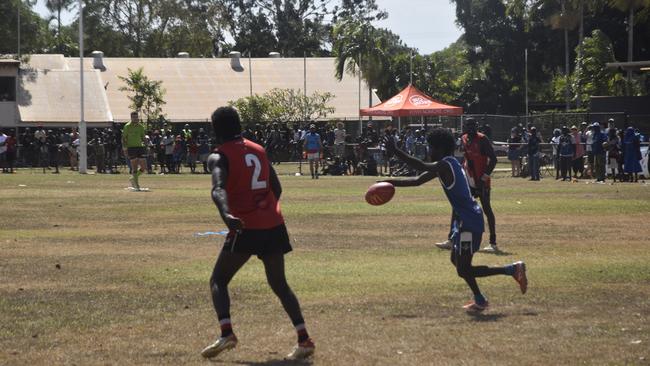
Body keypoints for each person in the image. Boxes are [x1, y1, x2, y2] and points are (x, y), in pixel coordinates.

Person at [201, 106, 314, 360]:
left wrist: (227, 215)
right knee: (280, 284)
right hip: (273, 225)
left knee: (218, 279)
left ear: (216, 129)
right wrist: (263, 207)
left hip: (245, 227)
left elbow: (218, 189)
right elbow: (277, 188)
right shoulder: (259, 150)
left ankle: (226, 332)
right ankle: (304, 339)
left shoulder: (219, 156)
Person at [380, 129, 527, 312]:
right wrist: (388, 183)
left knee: (463, 269)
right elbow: (417, 180)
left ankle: (512, 270)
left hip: (469, 221)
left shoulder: (445, 165)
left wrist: (396, 151)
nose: (428, 150)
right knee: (456, 261)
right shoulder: (449, 163)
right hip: (464, 221)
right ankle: (480, 298)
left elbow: (420, 166)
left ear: (439, 148)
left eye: (430, 147)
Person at [438, 118, 498, 252]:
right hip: (468, 180)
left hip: (482, 180)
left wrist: (484, 177)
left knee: (487, 209)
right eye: (468, 125)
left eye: (473, 125)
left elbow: (493, 159)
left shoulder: (482, 139)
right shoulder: (464, 138)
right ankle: (451, 239)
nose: (470, 128)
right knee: (457, 208)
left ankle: (493, 242)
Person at [122, 111, 148, 190]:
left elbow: (143, 137)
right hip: (131, 148)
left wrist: (146, 145)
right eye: (134, 117)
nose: (135, 118)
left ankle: (133, 178)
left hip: (140, 147)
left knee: (144, 167)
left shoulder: (140, 126)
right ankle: (136, 185)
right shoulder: (127, 126)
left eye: (136, 117)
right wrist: (125, 148)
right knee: (134, 167)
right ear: (131, 118)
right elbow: (123, 138)